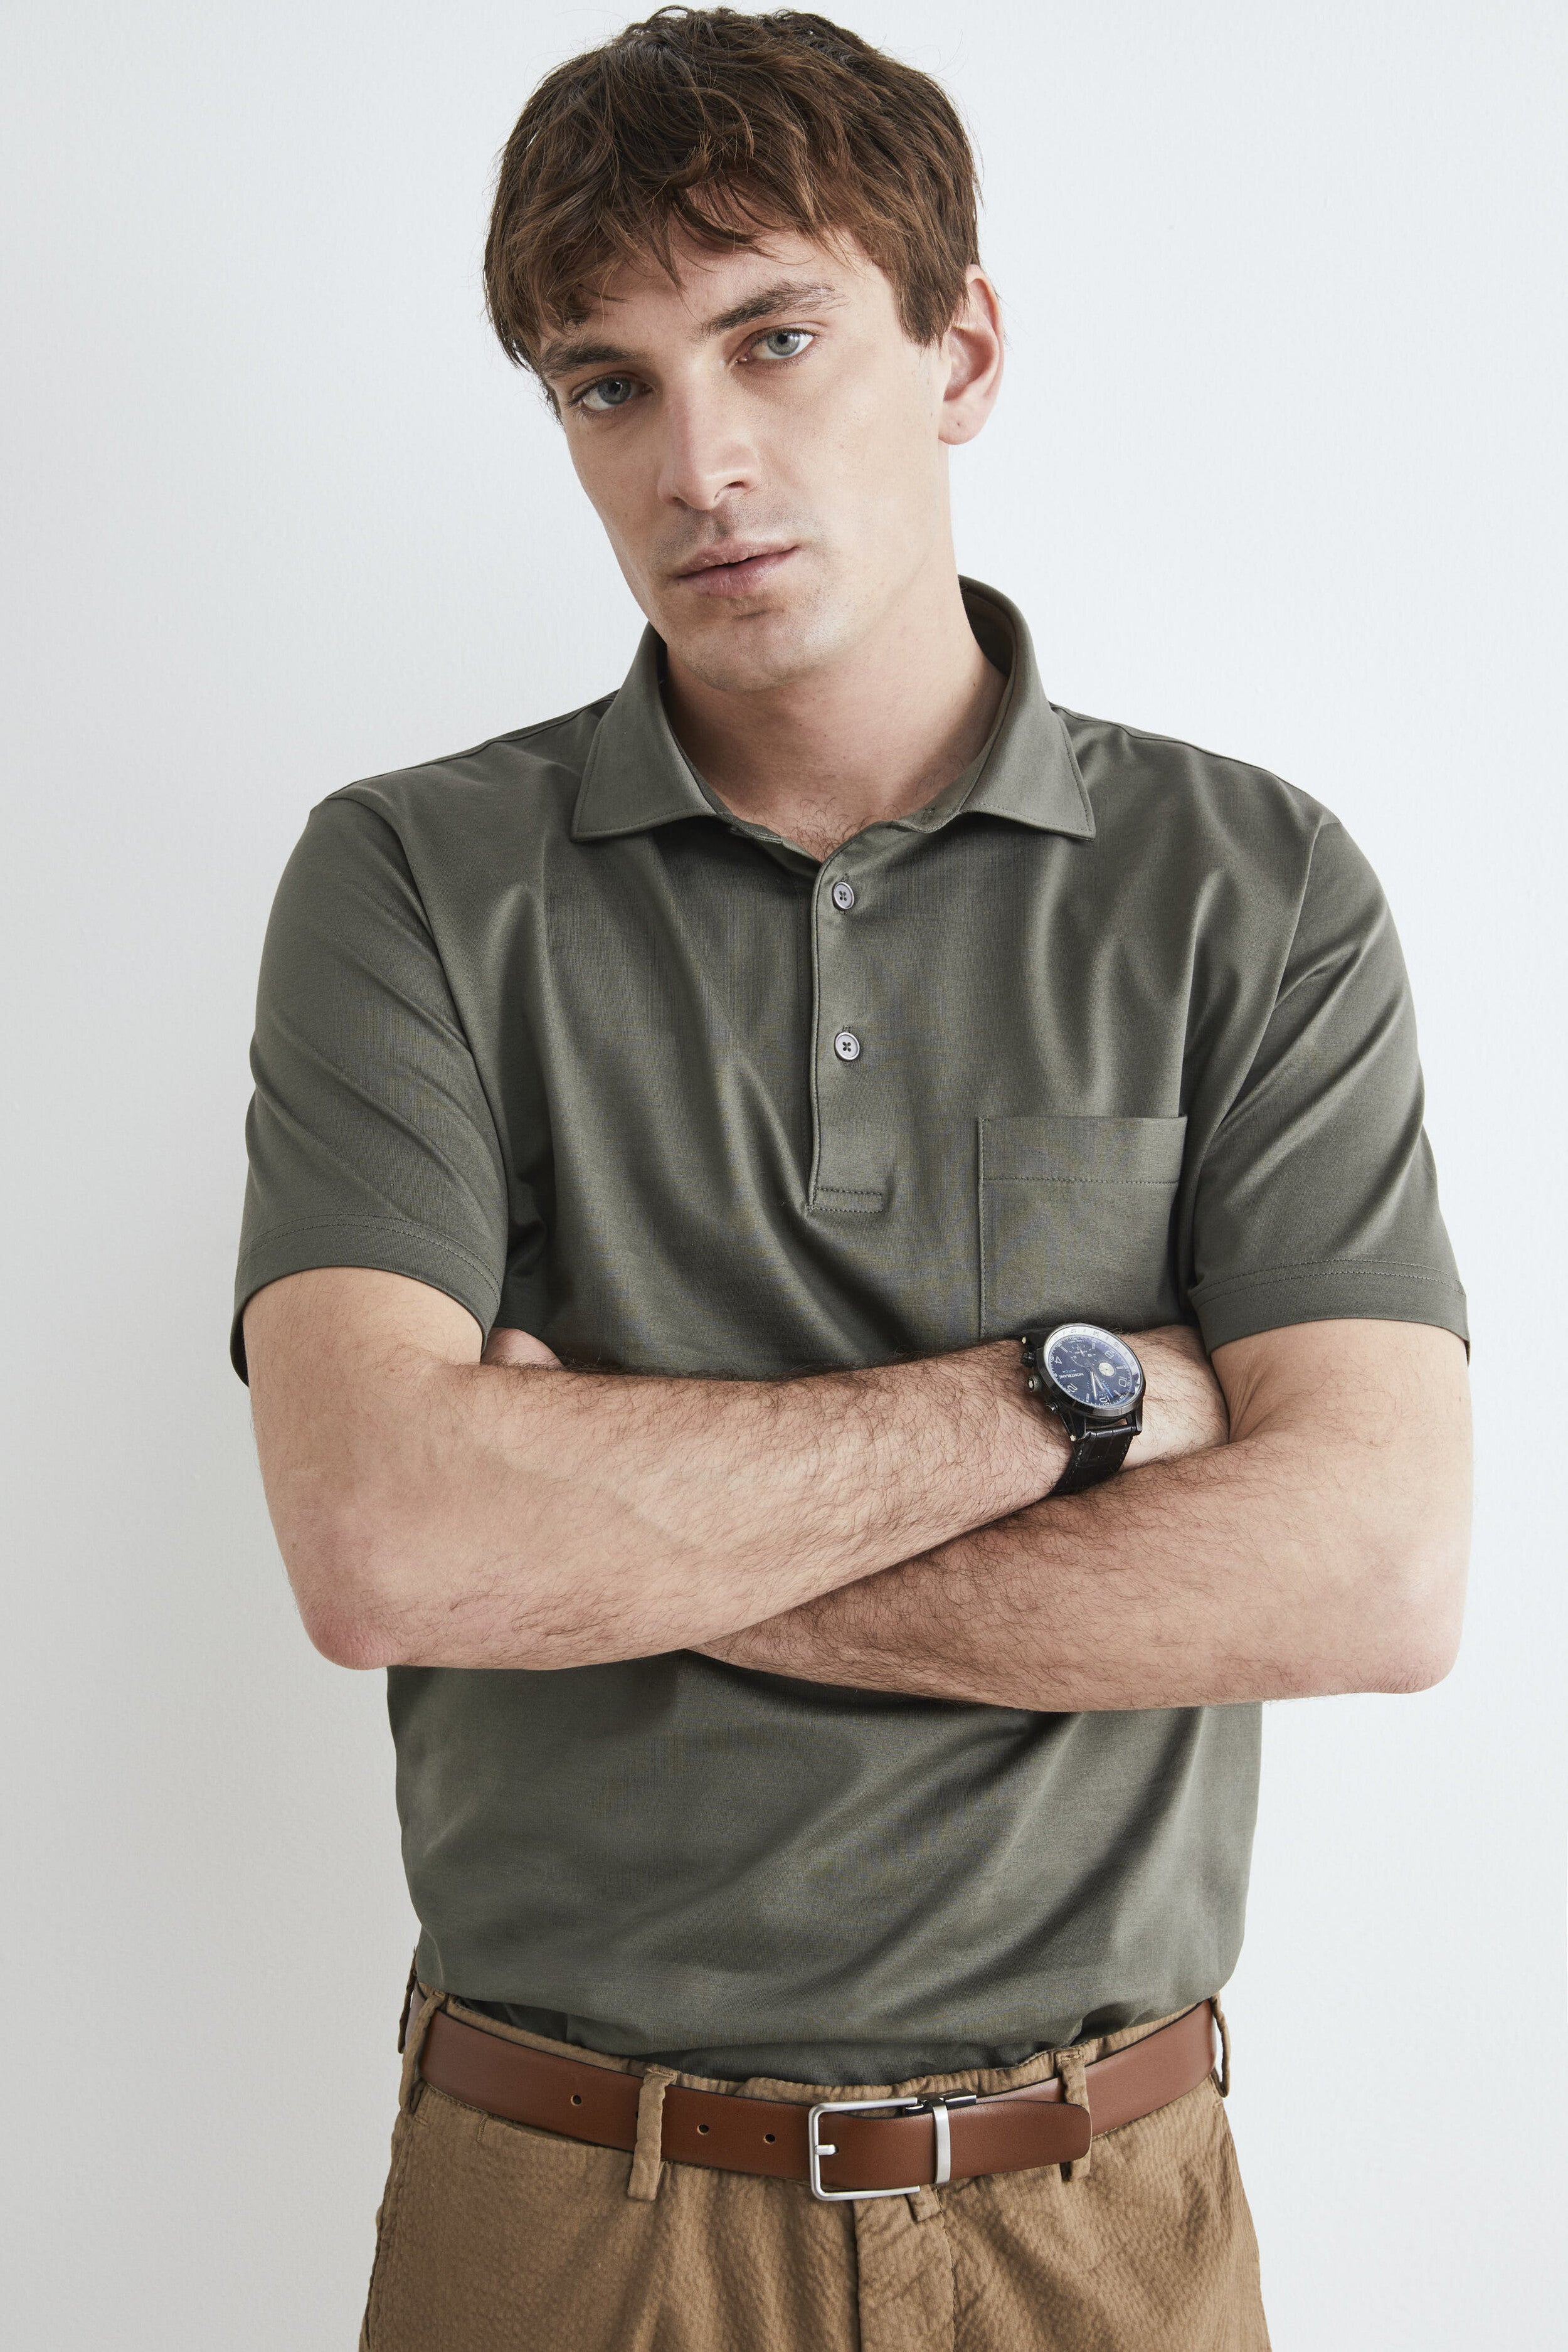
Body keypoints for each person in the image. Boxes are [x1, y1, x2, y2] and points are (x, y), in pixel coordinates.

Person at [233, 11, 1471, 2347]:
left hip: (1099, 2208)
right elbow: (390, 1543)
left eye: (772, 338)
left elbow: (1375, 1571)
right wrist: (1078, 1398)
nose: (696, 458)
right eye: (606, 384)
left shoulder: (1252, 887)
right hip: (566, 2204)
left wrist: (614, 1546)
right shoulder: (412, 881)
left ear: (958, 348)